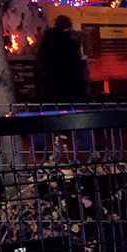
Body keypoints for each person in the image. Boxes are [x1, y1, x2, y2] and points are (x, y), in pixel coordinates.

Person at [38, 15, 91, 151]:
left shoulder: (47, 42)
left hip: (53, 87)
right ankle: (85, 144)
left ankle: (40, 142)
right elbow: (73, 64)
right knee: (80, 115)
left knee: (50, 115)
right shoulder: (68, 43)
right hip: (71, 86)